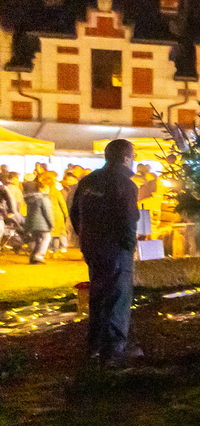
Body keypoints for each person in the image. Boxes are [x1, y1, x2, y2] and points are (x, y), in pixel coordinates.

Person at [71, 139, 141, 364]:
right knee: (118, 297)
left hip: (93, 247)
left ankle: (95, 347)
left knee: (98, 295)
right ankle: (114, 351)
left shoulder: (88, 181)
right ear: (127, 158)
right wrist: (129, 246)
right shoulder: (124, 183)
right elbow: (128, 218)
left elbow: (75, 214)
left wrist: (85, 237)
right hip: (115, 248)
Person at [21, 171, 54, 263]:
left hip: (32, 223)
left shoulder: (31, 199)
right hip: (42, 223)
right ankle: (39, 255)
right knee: (46, 238)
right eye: (47, 188)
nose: (48, 190)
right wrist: (51, 224)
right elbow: (48, 213)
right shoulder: (44, 199)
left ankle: (33, 258)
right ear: (43, 189)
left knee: (38, 241)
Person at [42, 169, 71, 254]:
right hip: (57, 214)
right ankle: (56, 249)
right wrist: (66, 214)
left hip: (47, 214)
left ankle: (50, 249)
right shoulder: (57, 192)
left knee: (50, 233)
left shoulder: (43, 192)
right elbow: (62, 203)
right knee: (58, 233)